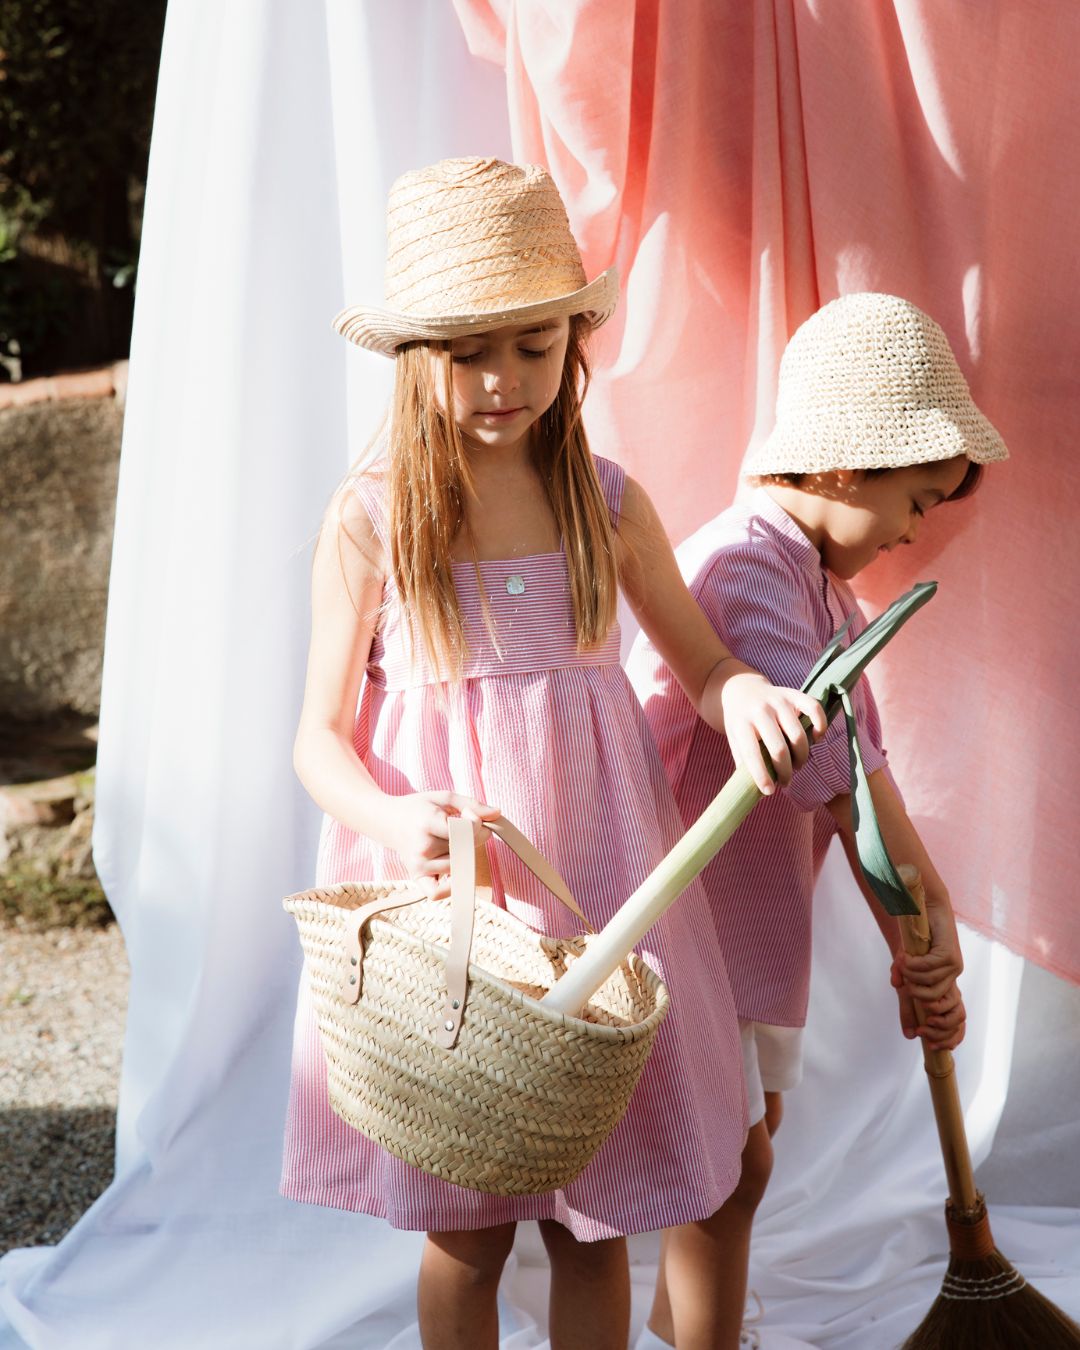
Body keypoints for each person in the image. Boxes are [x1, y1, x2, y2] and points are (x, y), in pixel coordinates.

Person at [280, 156, 828, 1350]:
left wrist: (745, 703)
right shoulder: (375, 517)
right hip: (460, 910)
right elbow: (317, 740)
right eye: (470, 351)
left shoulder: (606, 501)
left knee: (598, 1212)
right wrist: (390, 821)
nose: (502, 380)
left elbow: (704, 663)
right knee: (467, 1227)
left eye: (534, 346)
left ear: (575, 341)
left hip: (602, 881)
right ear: (413, 357)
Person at [627, 291, 1007, 1349]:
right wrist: (913, 942)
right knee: (728, 1166)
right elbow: (840, 792)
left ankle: (688, 1335)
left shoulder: (825, 592)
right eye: (917, 502)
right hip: (685, 926)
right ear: (844, 469)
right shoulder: (748, 567)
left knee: (747, 1148)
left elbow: (871, 784)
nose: (914, 531)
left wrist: (925, 935)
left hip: (746, 923)